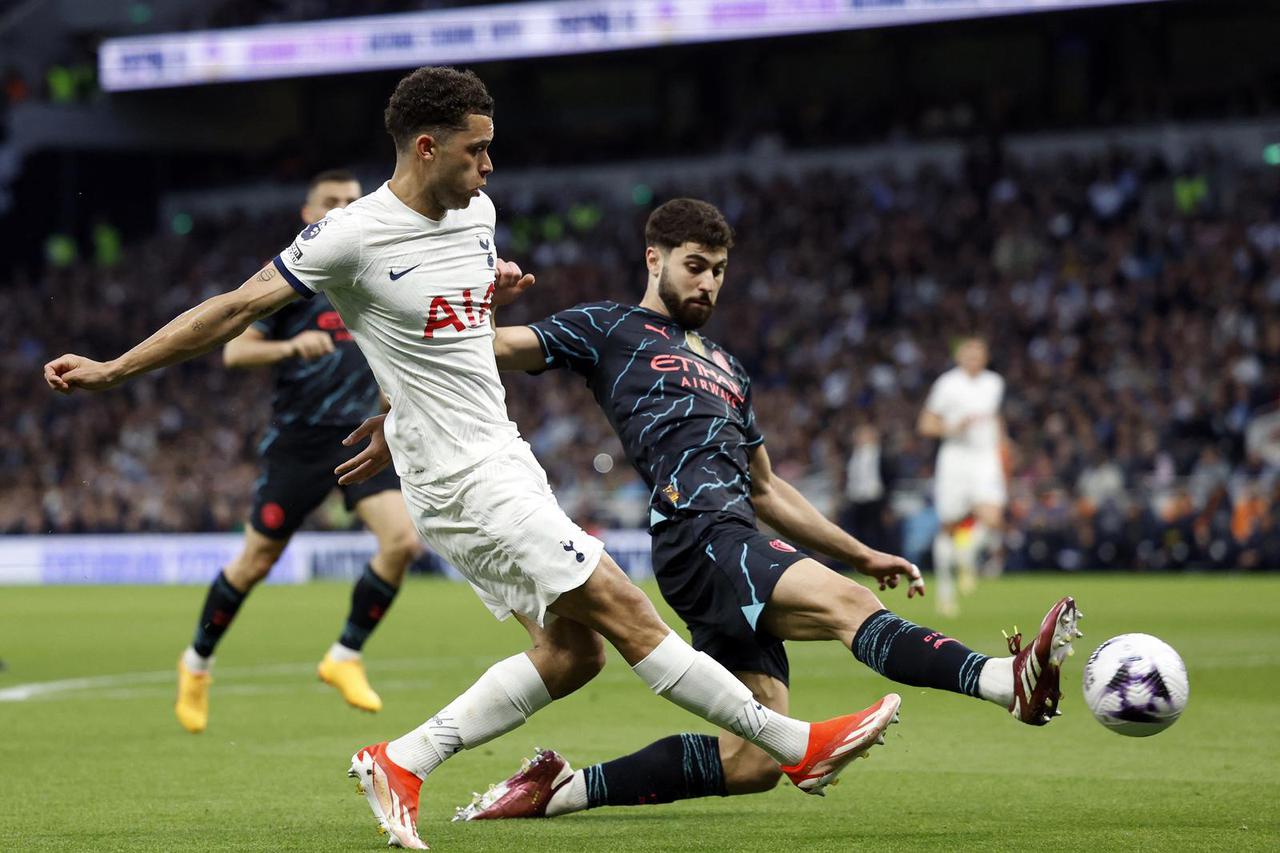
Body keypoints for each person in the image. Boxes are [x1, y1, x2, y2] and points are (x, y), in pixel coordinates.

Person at [44, 67, 908, 851]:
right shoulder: (351, 236)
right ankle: (797, 744)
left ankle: (403, 759)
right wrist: (116, 368)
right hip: (460, 476)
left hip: (501, 454)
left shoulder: (478, 217)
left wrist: (427, 368)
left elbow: (432, 337)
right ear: (428, 146)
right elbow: (233, 308)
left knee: (573, 653)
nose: (491, 167)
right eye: (478, 149)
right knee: (622, 607)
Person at [341, 199, 1082, 823]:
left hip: (737, 530)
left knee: (752, 760)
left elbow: (768, 487)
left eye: (720, 270)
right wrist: (403, 407)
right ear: (654, 258)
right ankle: (1000, 680)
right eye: (695, 264)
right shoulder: (606, 329)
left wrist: (859, 549)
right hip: (698, 534)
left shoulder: (729, 366)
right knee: (845, 607)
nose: (709, 282)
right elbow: (481, 352)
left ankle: (559, 790)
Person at [167, 170, 426, 734]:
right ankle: (197, 664)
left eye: (351, 201)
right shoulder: (293, 281)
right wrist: (290, 346)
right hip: (299, 442)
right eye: (330, 202)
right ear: (308, 214)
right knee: (256, 562)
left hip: (361, 434)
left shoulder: (377, 275)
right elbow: (236, 354)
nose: (342, 208)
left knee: (403, 541)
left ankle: (345, 656)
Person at [917, 336, 1011, 616]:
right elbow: (925, 424)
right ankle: (945, 590)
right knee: (949, 525)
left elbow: (994, 418)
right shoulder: (947, 384)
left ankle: (966, 555)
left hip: (984, 458)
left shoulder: (994, 383)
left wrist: (1004, 447)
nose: (974, 358)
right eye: (969, 353)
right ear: (959, 357)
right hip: (955, 459)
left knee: (993, 517)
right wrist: (952, 428)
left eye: (979, 353)